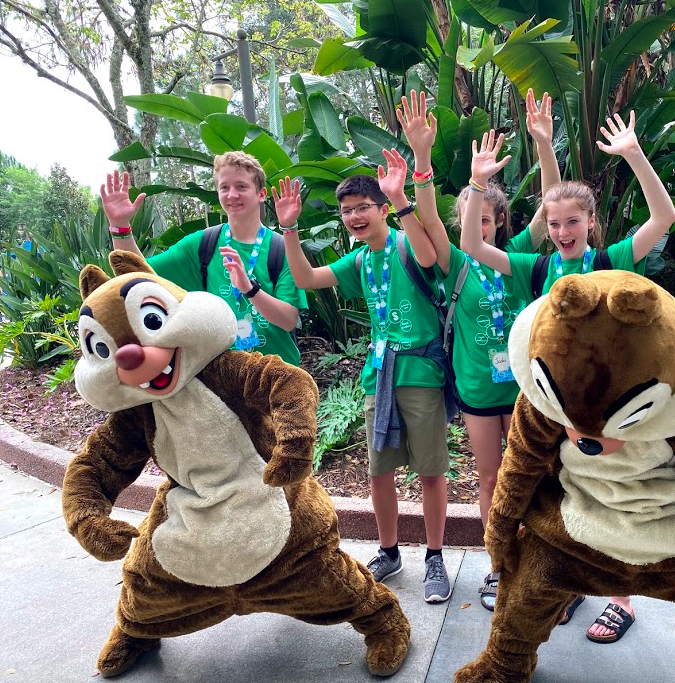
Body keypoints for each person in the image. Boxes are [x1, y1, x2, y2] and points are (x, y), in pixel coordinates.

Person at [461, 111, 675, 643]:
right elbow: (471, 246)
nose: (561, 232)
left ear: (590, 222)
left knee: (613, 492)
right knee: (559, 491)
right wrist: (476, 184)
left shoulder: (613, 258)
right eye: (554, 225)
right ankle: (571, 583)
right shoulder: (533, 269)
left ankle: (621, 599)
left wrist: (633, 154)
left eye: (572, 223)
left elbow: (664, 217)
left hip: (607, 405)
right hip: (549, 405)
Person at [396, 88, 559, 611]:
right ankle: (497, 565)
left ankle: (542, 556)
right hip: (475, 388)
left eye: (486, 219)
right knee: (490, 476)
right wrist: (427, 160)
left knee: (538, 472)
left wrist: (544, 145)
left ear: (498, 224)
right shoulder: (454, 265)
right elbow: (428, 219)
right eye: (471, 219)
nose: (479, 226)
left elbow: (553, 208)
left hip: (527, 389)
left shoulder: (518, 258)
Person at [277, 153, 454, 604]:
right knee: (379, 473)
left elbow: (430, 255)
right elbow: (306, 276)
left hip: (421, 371)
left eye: (363, 207)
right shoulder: (359, 261)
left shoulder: (401, 244)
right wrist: (290, 229)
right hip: (379, 375)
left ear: (380, 209)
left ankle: (434, 557)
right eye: (347, 210)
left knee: (431, 471)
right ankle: (390, 551)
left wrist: (402, 200)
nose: (355, 216)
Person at [99, 152, 308, 366]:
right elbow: (139, 276)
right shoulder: (203, 244)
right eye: (224, 187)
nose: (232, 194)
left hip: (279, 377)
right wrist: (120, 226)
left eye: (241, 186)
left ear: (261, 194)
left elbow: (288, 319)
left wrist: (249, 289)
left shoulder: (282, 248)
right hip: (224, 378)